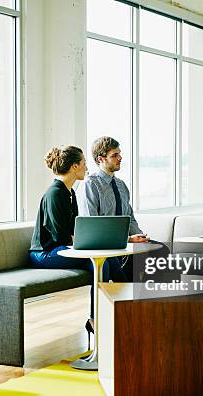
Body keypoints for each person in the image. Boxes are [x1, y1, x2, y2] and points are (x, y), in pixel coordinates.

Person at [29, 145, 121, 343]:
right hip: (45, 254)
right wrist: (87, 243)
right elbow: (60, 235)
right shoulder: (55, 193)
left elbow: (75, 230)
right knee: (101, 263)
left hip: (62, 250)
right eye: (84, 164)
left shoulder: (69, 192)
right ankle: (95, 319)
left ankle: (112, 316)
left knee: (111, 262)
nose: (86, 167)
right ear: (74, 166)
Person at [75, 136, 170, 282]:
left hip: (125, 244)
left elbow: (130, 218)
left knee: (160, 250)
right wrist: (127, 240)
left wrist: (140, 238)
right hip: (104, 247)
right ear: (101, 159)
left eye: (119, 154)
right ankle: (127, 296)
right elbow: (92, 229)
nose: (120, 158)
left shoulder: (121, 185)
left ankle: (144, 296)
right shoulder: (90, 185)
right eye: (114, 155)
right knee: (124, 270)